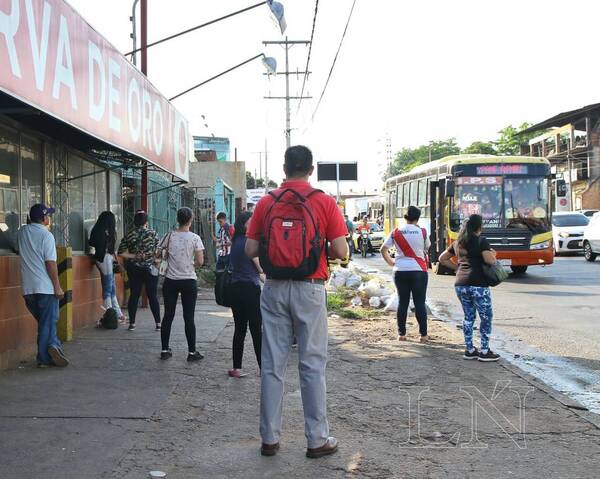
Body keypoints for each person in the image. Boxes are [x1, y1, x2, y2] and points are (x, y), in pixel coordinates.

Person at [245, 145, 348, 459]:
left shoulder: (266, 202)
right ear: (311, 169)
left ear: (284, 167)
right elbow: (342, 251)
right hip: (310, 288)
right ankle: (317, 440)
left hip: (274, 288)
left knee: (272, 366)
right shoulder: (323, 202)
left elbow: (250, 250)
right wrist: (317, 250)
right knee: (312, 365)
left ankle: (269, 439)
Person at [438, 214, 500, 362]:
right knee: (485, 317)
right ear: (479, 227)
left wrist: (457, 268)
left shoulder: (458, 242)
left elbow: (442, 259)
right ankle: (484, 351)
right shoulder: (481, 241)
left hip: (461, 284)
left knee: (468, 317)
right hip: (478, 284)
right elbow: (489, 260)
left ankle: (470, 349)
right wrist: (494, 254)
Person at [17, 204, 68, 368]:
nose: (50, 219)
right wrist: (57, 286)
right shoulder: (47, 236)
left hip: (27, 289)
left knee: (46, 323)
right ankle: (44, 357)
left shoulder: (22, 233)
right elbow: (50, 263)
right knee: (48, 322)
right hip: (45, 288)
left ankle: (55, 346)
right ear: (44, 218)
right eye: (49, 216)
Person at [159, 207, 205, 362]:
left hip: (170, 281)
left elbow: (157, 254)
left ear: (178, 219)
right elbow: (200, 261)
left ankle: (165, 350)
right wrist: (190, 264)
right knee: (189, 317)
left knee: (168, 315)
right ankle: (192, 353)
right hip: (188, 281)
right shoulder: (195, 238)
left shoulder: (169, 235)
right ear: (191, 220)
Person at [381, 206, 431, 342]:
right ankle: (423, 335)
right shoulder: (423, 232)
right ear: (418, 218)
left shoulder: (396, 232)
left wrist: (391, 262)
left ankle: (401, 334)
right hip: (419, 271)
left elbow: (383, 249)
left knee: (402, 302)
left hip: (400, 271)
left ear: (405, 217)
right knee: (420, 302)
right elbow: (427, 247)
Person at [227, 211, 263, 378]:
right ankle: (264, 368)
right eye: (251, 221)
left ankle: (236, 368)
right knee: (256, 330)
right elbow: (260, 267)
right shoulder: (249, 243)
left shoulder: (235, 242)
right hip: (250, 289)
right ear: (244, 224)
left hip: (236, 288)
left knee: (239, 329)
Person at [117, 210, 161, 331]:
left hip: (134, 268)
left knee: (134, 295)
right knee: (152, 295)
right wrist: (153, 259)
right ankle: (158, 323)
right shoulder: (153, 234)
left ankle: (132, 324)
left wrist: (134, 256)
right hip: (150, 268)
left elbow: (121, 252)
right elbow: (159, 252)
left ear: (135, 221)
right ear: (146, 222)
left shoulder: (129, 234)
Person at [89, 211, 125, 323]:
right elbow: (110, 249)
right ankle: (112, 313)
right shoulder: (110, 232)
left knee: (109, 287)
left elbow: (91, 243)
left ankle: (115, 313)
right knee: (109, 288)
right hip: (107, 259)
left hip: (101, 259)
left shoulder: (96, 230)